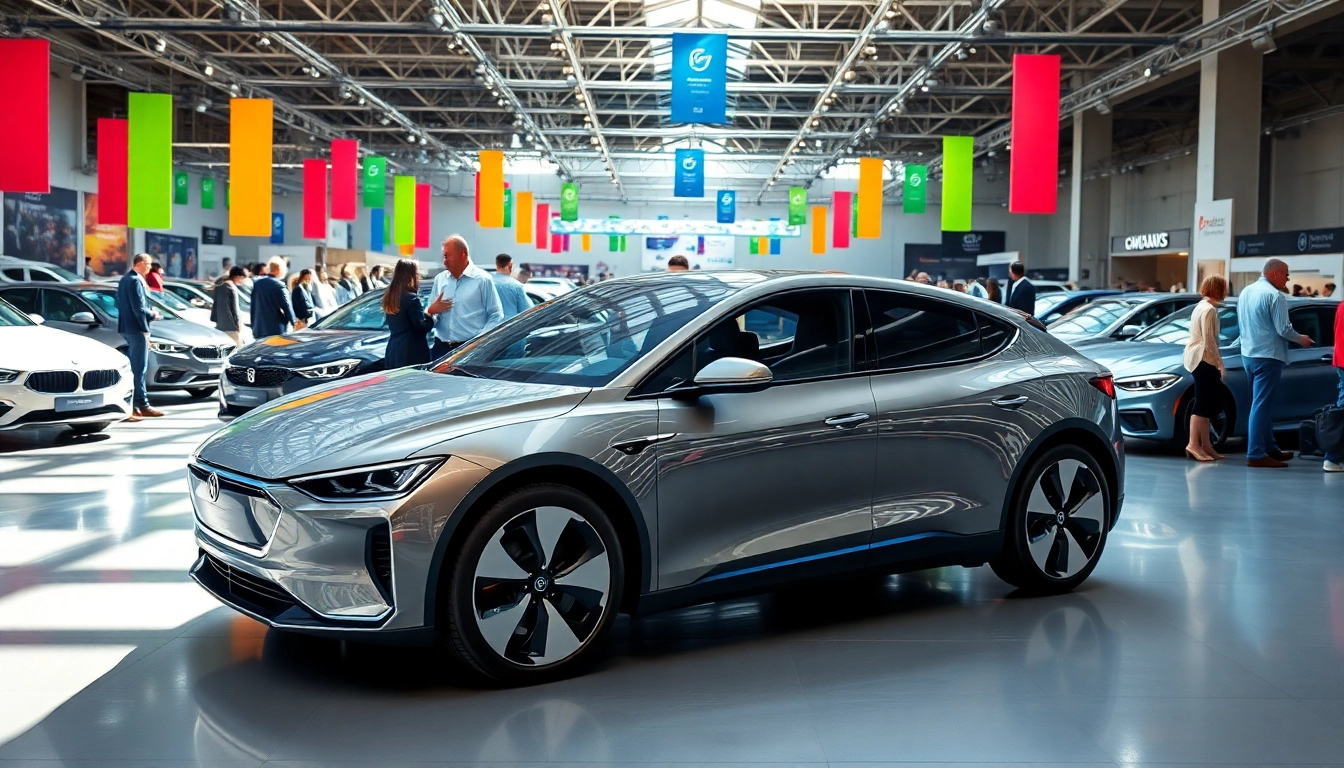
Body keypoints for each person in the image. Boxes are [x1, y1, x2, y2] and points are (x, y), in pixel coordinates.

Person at [1238, 258, 1313, 468]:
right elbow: (1284, 329)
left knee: (1261, 404)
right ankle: (1255, 453)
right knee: (1261, 406)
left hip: (1248, 355)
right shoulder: (1275, 296)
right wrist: (1301, 339)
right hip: (1268, 356)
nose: (1288, 279)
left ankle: (1270, 448)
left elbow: (1242, 325)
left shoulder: (1246, 292)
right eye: (1286, 274)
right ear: (1275, 274)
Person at [426, 234, 503, 358]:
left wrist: (479, 342)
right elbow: (430, 312)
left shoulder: (482, 280)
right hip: (440, 349)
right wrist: (431, 311)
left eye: (447, 256)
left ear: (462, 255)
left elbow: (496, 315)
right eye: (444, 256)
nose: (444, 261)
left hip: (469, 349)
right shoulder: (440, 279)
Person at [1183, 275, 1229, 462]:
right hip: (1204, 359)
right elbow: (1210, 340)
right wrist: (1220, 364)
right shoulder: (1209, 309)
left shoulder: (1200, 306)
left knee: (1205, 402)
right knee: (1203, 403)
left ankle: (1206, 445)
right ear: (1217, 288)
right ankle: (1194, 444)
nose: (1226, 292)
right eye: (1223, 287)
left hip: (1195, 358)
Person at [116, 253, 163, 420]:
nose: (149, 268)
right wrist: (152, 316)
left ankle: (136, 406)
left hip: (127, 328)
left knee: (134, 369)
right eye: (148, 264)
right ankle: (140, 405)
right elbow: (139, 309)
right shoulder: (135, 280)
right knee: (139, 369)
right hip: (137, 329)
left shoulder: (124, 279)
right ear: (140, 263)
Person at [382, 259, 435, 368]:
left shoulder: (391, 296)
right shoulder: (411, 298)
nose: (418, 276)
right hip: (410, 351)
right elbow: (420, 326)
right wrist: (429, 314)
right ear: (411, 275)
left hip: (394, 348)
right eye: (417, 273)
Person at [249, 257, 295, 339]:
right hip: (275, 329)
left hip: (258, 328)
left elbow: (253, 306)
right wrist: (294, 322)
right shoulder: (279, 285)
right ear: (280, 270)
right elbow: (287, 307)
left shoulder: (257, 283)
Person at [1324, 297, 1344, 472]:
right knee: (1342, 410)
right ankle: (1332, 457)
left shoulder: (1342, 306)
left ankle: (1333, 456)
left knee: (1342, 407)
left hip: (1340, 360)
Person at [211, 266, 246, 345]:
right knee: (238, 347)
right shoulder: (231, 287)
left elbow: (215, 305)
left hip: (220, 325)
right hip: (231, 326)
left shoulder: (220, 286)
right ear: (237, 276)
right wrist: (237, 325)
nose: (242, 281)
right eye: (241, 278)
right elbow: (234, 308)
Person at [492, 254, 531, 319]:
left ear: (497, 265)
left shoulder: (486, 282)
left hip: (488, 324)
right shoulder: (516, 286)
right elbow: (527, 311)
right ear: (510, 266)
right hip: (510, 324)